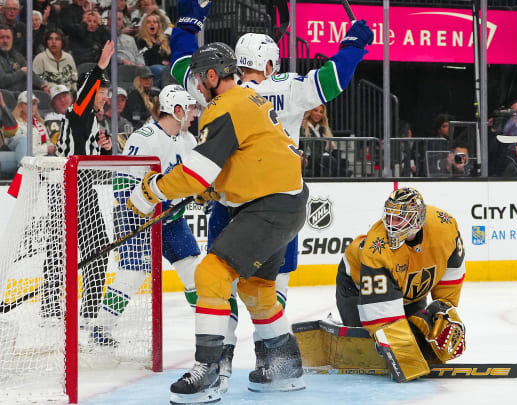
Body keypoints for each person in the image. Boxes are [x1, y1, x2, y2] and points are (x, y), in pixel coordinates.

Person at [168, 0, 372, 393]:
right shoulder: (286, 87)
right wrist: (354, 43)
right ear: (271, 65)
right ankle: (276, 366)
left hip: (228, 202)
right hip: (276, 203)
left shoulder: (213, 88)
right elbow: (332, 80)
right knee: (269, 286)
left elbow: (181, 63)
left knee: (219, 285)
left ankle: (218, 365)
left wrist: (190, 22)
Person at [128, 34, 308, 403]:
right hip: (286, 203)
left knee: (210, 273)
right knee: (256, 288)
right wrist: (208, 191)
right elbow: (242, 162)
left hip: (267, 207)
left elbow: (197, 172)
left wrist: (153, 190)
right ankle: (285, 365)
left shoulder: (226, 105)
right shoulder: (248, 99)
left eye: (196, 79)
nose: (194, 89)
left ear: (212, 76)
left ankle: (207, 372)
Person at [93, 84, 200, 346]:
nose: (194, 115)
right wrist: (145, 206)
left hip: (171, 221)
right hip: (135, 217)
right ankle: (100, 329)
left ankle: (209, 328)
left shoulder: (189, 140)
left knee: (194, 273)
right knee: (133, 275)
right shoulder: (144, 138)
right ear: (176, 111)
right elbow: (121, 187)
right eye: (190, 109)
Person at [335, 187, 466, 382]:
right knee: (370, 348)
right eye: (389, 217)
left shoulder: (444, 226)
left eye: (399, 218)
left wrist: (445, 308)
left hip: (408, 291)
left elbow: (453, 269)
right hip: (355, 286)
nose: (391, 225)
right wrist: (406, 360)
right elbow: (382, 317)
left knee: (423, 339)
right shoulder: (377, 251)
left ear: (418, 218)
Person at [50, 41, 114, 325]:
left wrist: (108, 148)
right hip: (67, 185)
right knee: (62, 248)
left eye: (107, 92)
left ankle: (87, 310)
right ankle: (53, 308)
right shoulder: (78, 115)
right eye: (102, 91)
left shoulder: (94, 123)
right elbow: (83, 95)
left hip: (83, 185)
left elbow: (101, 164)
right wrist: (99, 67)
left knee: (97, 247)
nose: (105, 97)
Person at [0, 24, 49, 93]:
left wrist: (42, 85)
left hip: (23, 94)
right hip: (5, 96)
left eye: (8, 37)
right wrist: (21, 72)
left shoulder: (17, 55)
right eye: (1, 37)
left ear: (12, 39)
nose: (5, 41)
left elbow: (30, 72)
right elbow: (2, 81)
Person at [300, 104, 341, 177]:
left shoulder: (323, 128)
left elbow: (329, 147)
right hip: (309, 158)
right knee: (327, 161)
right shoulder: (303, 127)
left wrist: (326, 153)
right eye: (315, 110)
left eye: (321, 112)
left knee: (339, 160)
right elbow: (301, 144)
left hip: (322, 158)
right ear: (309, 112)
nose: (318, 114)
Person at [10, 90, 53, 156]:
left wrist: (52, 147)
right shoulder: (15, 125)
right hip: (28, 160)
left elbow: (48, 141)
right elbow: (26, 150)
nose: (32, 106)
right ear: (20, 106)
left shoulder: (40, 123)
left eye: (34, 104)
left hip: (45, 156)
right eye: (28, 103)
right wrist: (46, 149)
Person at [135, 9, 171, 86]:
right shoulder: (140, 40)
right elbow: (147, 59)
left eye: (155, 22)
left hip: (165, 68)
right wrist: (156, 46)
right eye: (149, 22)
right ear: (144, 26)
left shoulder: (164, 39)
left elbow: (169, 56)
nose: (152, 24)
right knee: (159, 69)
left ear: (158, 25)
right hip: (150, 69)